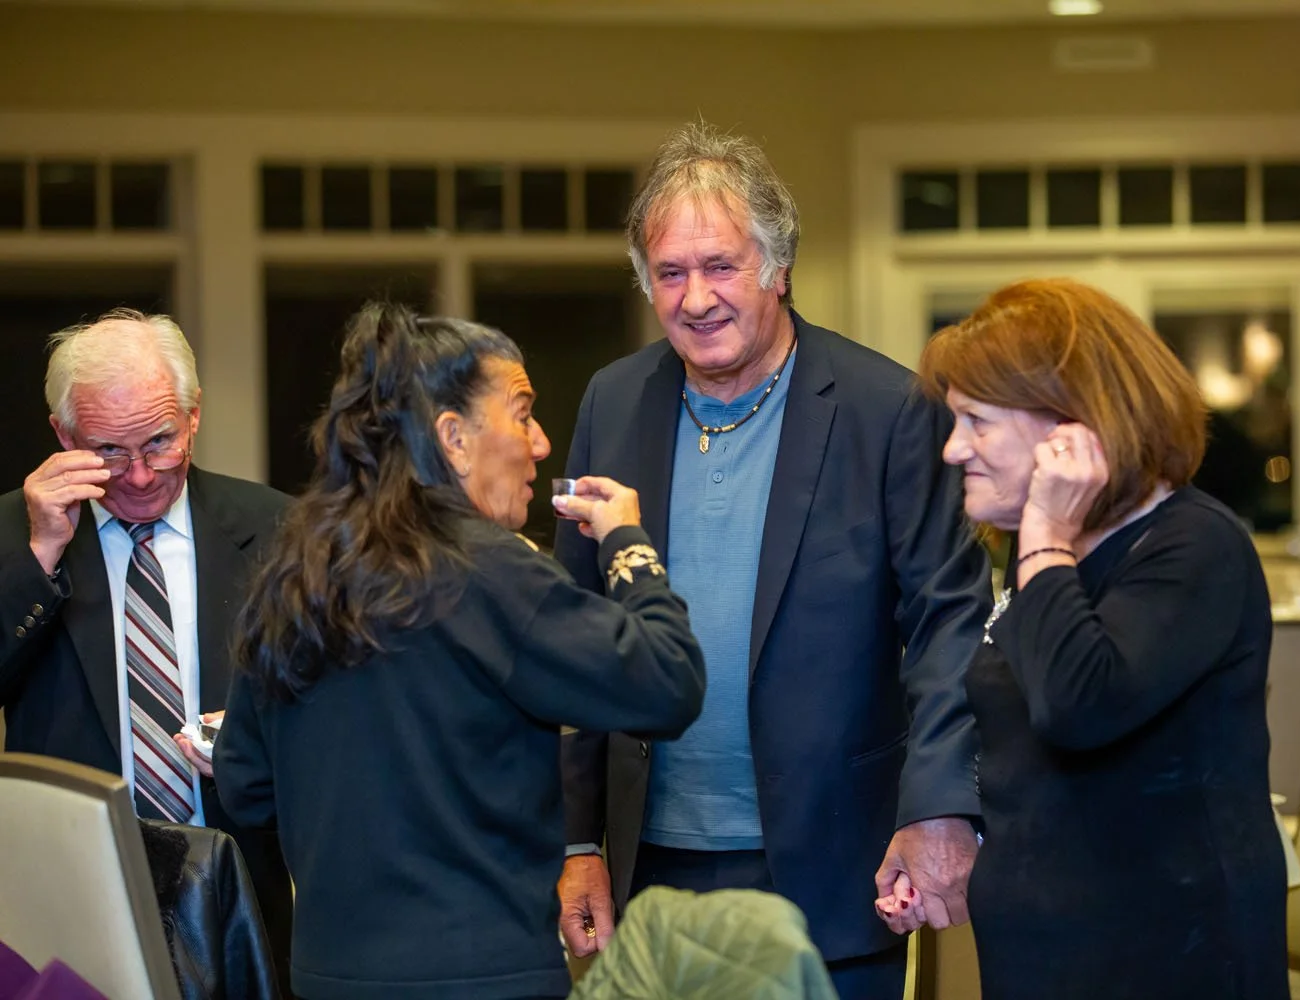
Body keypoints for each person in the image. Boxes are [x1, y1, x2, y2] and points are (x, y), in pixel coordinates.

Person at [553, 122, 993, 1000]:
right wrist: (577, 842)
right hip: (651, 863)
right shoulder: (616, 399)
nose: (697, 297)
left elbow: (949, 621)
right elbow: (573, 631)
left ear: (778, 267)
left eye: (722, 266)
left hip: (835, 862)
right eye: (670, 273)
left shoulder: (886, 409)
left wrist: (940, 806)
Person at [213, 303, 706, 1000]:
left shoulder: (295, 573)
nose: (540, 443)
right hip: (481, 976)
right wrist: (627, 545)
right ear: (455, 438)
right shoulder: (495, 573)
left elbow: (245, 787)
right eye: (523, 414)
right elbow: (668, 682)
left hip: (330, 976)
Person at [894, 277, 1289, 999]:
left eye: (977, 422)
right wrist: (960, 841)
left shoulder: (1194, 547)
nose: (954, 451)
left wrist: (1045, 533)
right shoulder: (1049, 554)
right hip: (1047, 959)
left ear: (1071, 428)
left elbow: (1081, 706)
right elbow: (1029, 748)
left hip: (1169, 962)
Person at [0, 308, 294, 989]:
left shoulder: (280, 528)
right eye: (107, 450)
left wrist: (256, 740)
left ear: (193, 417)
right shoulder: (15, 532)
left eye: (160, 442)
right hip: (65, 895)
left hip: (235, 889)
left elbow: (334, 710)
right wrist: (38, 555)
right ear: (62, 435)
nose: (137, 476)